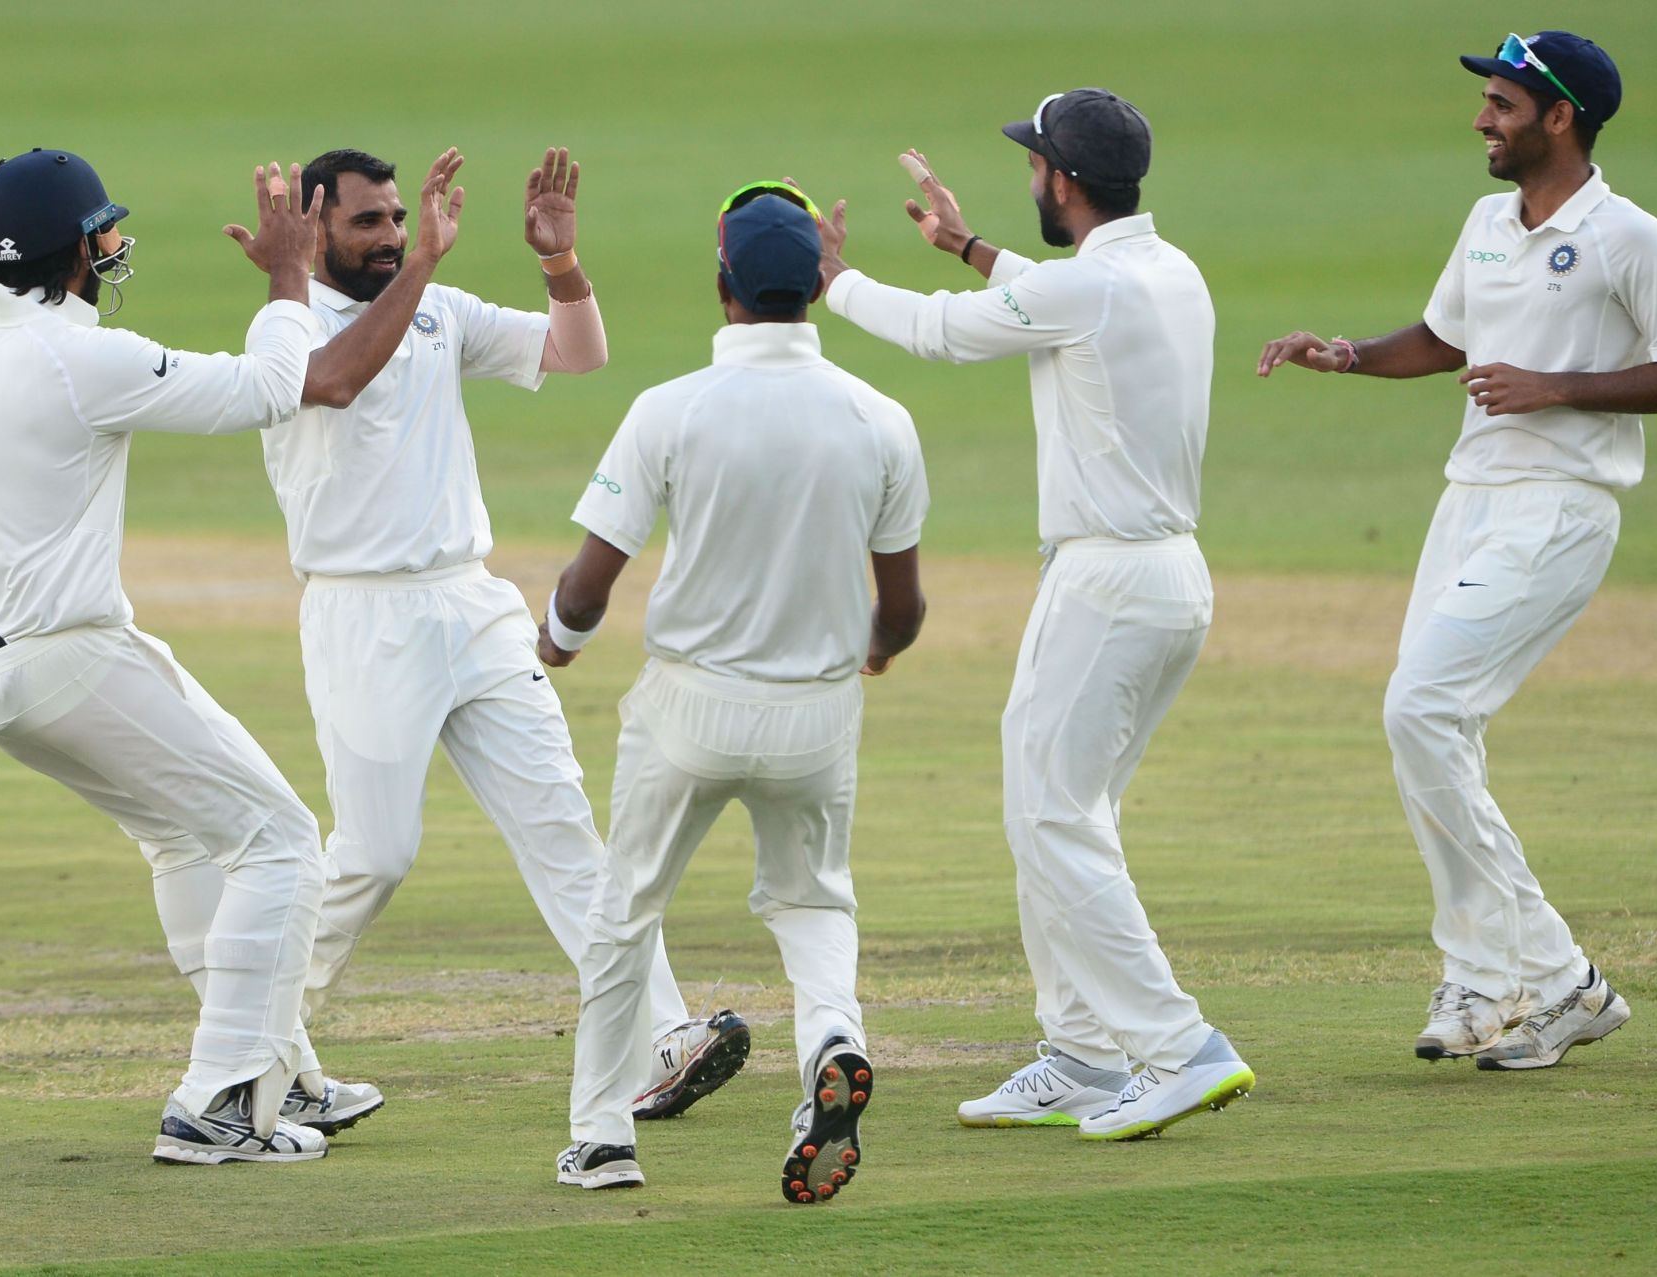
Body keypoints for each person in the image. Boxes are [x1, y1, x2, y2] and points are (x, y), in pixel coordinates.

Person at [256, 147, 747, 1128]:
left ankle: (663, 1036)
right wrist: (429, 267)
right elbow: (337, 382)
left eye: (399, 218)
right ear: (313, 228)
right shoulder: (289, 325)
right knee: (376, 853)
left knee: (563, 824)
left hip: (469, 600)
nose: (392, 237)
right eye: (368, 223)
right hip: (363, 612)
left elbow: (578, 354)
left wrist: (561, 267)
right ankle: (255, 1036)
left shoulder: (438, 305)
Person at [1257, 31, 1657, 1068]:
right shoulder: (1485, 221)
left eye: (1503, 105)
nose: (1482, 120)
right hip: (1467, 499)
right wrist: (1346, 356)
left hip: (1559, 508)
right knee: (1432, 729)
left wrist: (1556, 386)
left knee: (1420, 707)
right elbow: (1446, 338)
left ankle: (1555, 977)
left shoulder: (1631, 239)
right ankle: (1484, 978)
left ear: (1561, 117)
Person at [818, 91, 1256, 1142]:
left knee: (1053, 816)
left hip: (1107, 583)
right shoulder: (1165, 269)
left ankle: (1178, 1047)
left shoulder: (1093, 285)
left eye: (1035, 165)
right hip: (1164, 579)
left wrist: (836, 283)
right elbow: (1060, 298)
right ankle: (1084, 1052)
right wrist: (970, 244)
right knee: (1059, 812)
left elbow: (936, 335)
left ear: (1061, 180)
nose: (1032, 179)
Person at [0, 149, 332, 1163]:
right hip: (68, 656)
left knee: (187, 839)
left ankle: (287, 1072)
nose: (116, 244)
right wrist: (285, 277)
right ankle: (218, 1102)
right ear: (80, 250)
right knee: (281, 840)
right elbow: (275, 386)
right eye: (106, 231)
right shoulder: (83, 358)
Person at [544, 184, 927, 1199]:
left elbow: (589, 584)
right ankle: (832, 1047)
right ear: (814, 287)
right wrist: (877, 648)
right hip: (816, 712)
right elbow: (905, 606)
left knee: (625, 909)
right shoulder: (881, 418)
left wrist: (557, 639)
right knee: (811, 901)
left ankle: (600, 1137)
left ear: (723, 286)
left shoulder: (670, 408)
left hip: (689, 706)